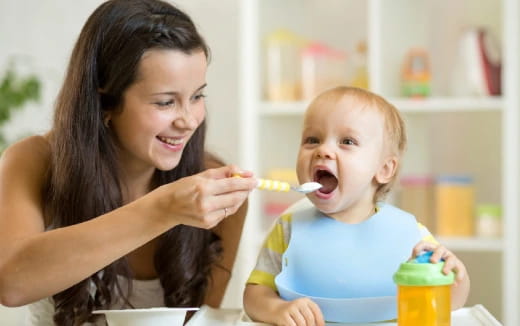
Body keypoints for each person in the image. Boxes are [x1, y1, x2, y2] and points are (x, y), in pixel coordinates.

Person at [0, 0, 257, 325]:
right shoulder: (34, 161)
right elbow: (10, 282)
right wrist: (163, 209)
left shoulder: (213, 195)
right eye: (165, 102)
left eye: (197, 96)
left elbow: (199, 320)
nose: (189, 121)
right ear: (104, 101)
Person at [243, 86, 470, 326]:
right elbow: (254, 295)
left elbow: (450, 302)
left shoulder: (410, 235)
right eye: (312, 140)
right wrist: (278, 309)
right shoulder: (288, 229)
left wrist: (455, 276)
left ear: (384, 169)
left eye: (347, 141)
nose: (324, 150)